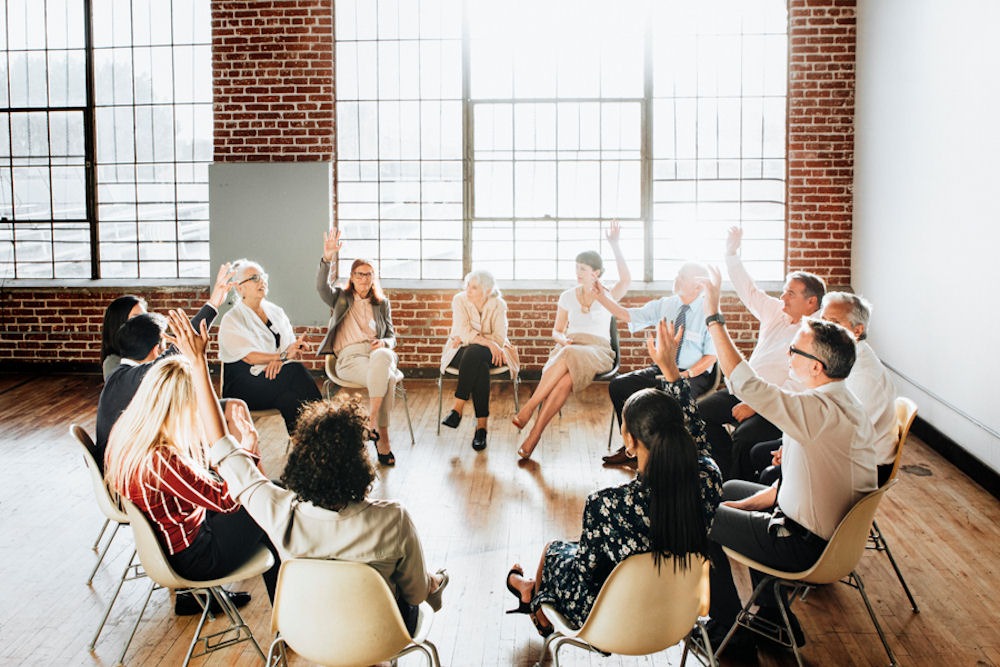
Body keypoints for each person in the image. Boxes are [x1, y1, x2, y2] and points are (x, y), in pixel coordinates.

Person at [695, 266, 877, 655]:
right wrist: (739, 505)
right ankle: (773, 615)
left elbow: (747, 384)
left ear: (816, 366)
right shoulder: (841, 402)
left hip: (804, 545)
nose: (789, 353)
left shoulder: (815, 410)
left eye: (795, 350)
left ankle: (729, 629)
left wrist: (713, 315)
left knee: (698, 513)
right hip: (816, 527)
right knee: (726, 489)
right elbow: (787, 485)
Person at [506, 318, 722, 635]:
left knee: (554, 549)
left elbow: (586, 571)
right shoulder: (709, 475)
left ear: (630, 443)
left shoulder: (608, 505)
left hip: (613, 621)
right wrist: (671, 371)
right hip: (677, 614)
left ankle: (531, 595)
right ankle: (528, 590)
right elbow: (696, 431)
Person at [213, 398, 448, 636]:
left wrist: (200, 365)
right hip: (380, 635)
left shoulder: (280, 515)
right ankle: (433, 583)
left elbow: (226, 456)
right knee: (408, 586)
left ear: (301, 459)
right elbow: (416, 595)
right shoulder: (393, 519)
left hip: (309, 635)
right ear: (359, 463)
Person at [104, 310, 281, 613]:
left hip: (176, 541)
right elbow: (227, 501)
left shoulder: (130, 433)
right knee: (269, 501)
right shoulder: (161, 458)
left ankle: (288, 609)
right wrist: (248, 450)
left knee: (267, 497)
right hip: (195, 557)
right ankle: (290, 614)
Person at [697, 226, 825, 480]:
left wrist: (757, 405)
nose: (783, 296)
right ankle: (724, 472)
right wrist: (731, 254)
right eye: (784, 290)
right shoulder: (777, 311)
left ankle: (738, 490)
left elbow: (797, 386)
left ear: (811, 302)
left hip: (778, 406)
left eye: (791, 293)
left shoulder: (816, 334)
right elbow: (749, 291)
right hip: (744, 391)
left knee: (745, 437)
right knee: (698, 414)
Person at [511, 222, 631, 459]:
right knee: (565, 380)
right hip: (570, 347)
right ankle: (534, 436)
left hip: (598, 351)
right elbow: (557, 330)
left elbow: (626, 279)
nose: (578, 272)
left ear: (595, 272)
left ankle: (529, 406)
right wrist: (563, 339)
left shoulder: (607, 294)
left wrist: (615, 245)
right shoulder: (567, 296)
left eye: (583, 269)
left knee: (568, 355)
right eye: (576, 267)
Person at [96, 263, 236, 468]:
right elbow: (172, 357)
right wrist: (212, 306)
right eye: (136, 318)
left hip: (148, 444)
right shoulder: (119, 371)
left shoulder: (134, 368)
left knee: (229, 410)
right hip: (132, 465)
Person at [753, 291, 897, 487]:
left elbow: (846, 439)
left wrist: (791, 450)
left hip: (863, 465)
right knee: (758, 451)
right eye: (822, 320)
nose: (824, 328)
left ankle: (777, 512)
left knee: (768, 471)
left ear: (857, 330)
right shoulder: (839, 356)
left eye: (834, 322)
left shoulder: (863, 375)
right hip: (836, 444)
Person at [595, 261, 718, 468]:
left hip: (693, 374)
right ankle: (633, 447)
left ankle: (662, 456)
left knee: (667, 398)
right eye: (677, 274)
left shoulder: (709, 312)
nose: (676, 279)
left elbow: (711, 357)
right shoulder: (666, 304)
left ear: (698, 286)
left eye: (682, 277)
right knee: (619, 385)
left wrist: (684, 375)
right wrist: (601, 296)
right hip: (661, 368)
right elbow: (626, 314)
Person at [316, 229, 402, 465]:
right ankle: (383, 438)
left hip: (377, 354)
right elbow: (321, 287)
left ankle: (371, 422)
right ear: (352, 277)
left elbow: (392, 337)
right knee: (388, 380)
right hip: (351, 358)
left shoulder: (382, 304)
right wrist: (327, 258)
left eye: (369, 275)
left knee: (384, 354)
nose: (365, 279)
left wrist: (384, 341)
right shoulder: (341, 298)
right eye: (360, 274)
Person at [218, 259, 322, 435]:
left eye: (263, 276)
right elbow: (250, 357)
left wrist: (286, 355)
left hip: (274, 379)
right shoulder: (232, 319)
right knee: (296, 371)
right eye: (254, 278)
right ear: (239, 287)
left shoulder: (275, 311)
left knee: (289, 400)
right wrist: (280, 358)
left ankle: (305, 447)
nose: (262, 281)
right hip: (245, 386)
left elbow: (288, 348)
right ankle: (330, 421)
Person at [440, 269, 519, 451]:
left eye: (474, 287)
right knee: (479, 364)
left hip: (493, 353)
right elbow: (462, 330)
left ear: (488, 289)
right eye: (467, 285)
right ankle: (481, 428)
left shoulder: (499, 305)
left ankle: (457, 408)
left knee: (475, 351)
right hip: (459, 351)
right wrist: (485, 341)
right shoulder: (459, 300)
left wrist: (475, 338)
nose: (468, 289)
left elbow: (499, 338)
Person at [100, 295, 146, 380]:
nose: (144, 322)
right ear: (120, 324)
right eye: (135, 318)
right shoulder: (113, 362)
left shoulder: (146, 351)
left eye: (144, 317)